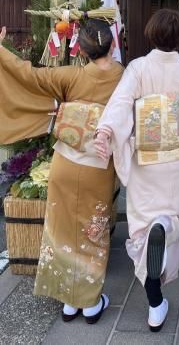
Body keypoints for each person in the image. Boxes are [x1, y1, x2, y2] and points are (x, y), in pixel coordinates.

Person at [93, 6, 179, 332]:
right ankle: (166, 229)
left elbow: (120, 103)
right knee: (176, 216)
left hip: (146, 158)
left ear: (150, 34)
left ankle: (155, 300)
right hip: (177, 159)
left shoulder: (138, 67)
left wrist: (106, 131)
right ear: (177, 39)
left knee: (142, 227)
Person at [0, 20, 124, 323]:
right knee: (92, 231)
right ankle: (90, 302)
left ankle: (69, 302)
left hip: (65, 163)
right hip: (97, 164)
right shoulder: (123, 75)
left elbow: (27, 74)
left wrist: (0, 50)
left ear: (81, 50)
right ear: (112, 45)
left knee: (62, 228)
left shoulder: (71, 75)